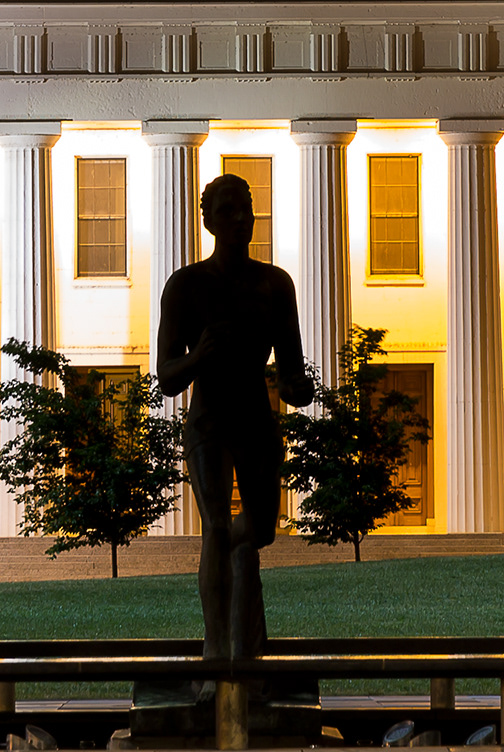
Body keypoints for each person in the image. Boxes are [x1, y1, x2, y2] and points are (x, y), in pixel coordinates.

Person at [154, 171, 314, 687]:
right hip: (209, 420)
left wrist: (298, 388)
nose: (240, 218)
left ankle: (241, 629)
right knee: (218, 526)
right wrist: (198, 354)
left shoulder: (276, 285)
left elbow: (290, 368)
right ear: (208, 220)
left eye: (246, 207)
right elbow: (166, 377)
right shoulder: (185, 286)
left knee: (259, 531)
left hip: (255, 418)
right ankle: (217, 647)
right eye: (227, 209)